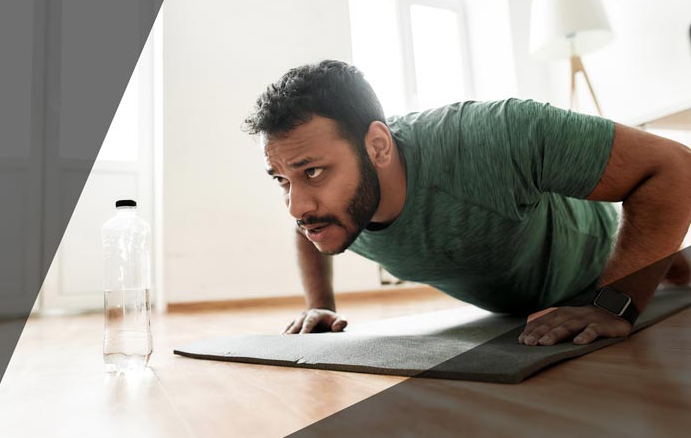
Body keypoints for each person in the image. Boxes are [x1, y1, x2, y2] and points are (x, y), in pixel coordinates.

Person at [242, 60, 691, 347]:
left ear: (378, 146)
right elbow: (306, 226)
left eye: (313, 172)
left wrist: (614, 303)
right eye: (282, 179)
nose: (296, 206)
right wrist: (321, 303)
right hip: (514, 295)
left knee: (679, 273)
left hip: (594, 253)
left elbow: (675, 168)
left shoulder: (497, 134)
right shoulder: (327, 207)